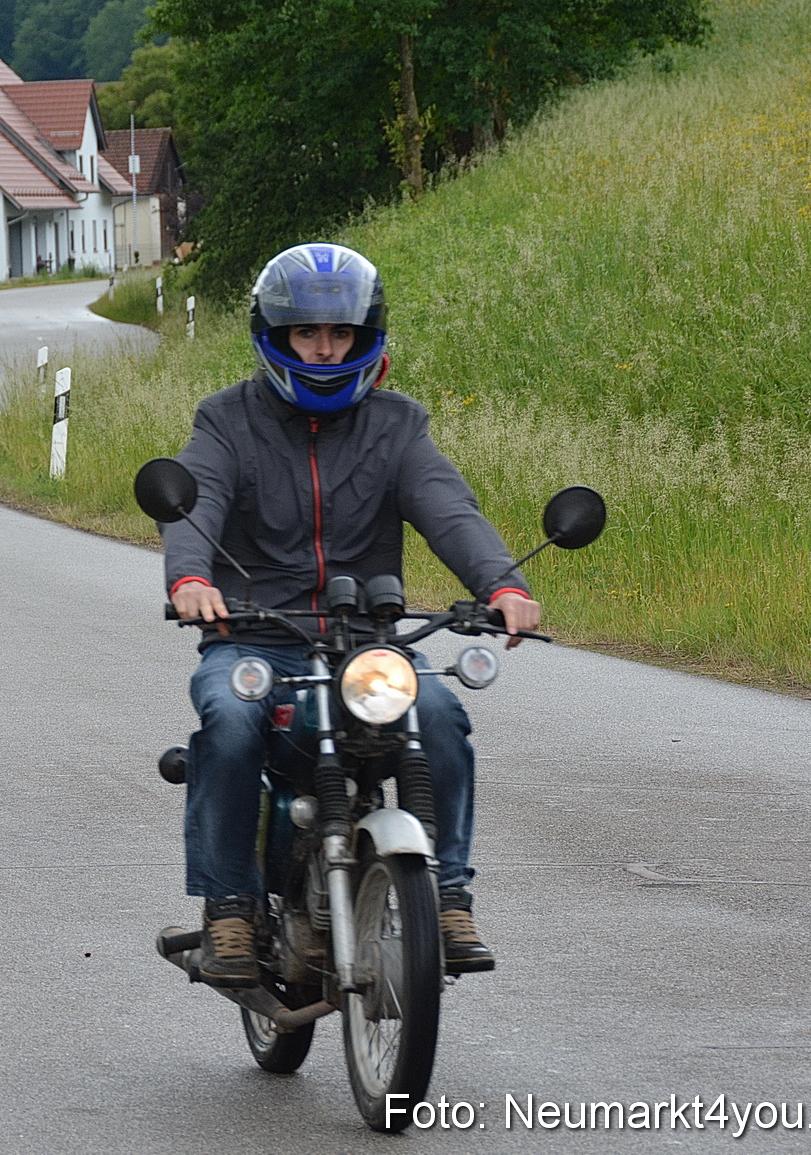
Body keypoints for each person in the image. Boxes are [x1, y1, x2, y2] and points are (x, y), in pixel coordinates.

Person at [161, 242, 541, 986]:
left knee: (439, 714)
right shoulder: (227, 420)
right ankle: (229, 906)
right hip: (255, 637)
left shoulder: (398, 426)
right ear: (275, 336)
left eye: (341, 333)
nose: (326, 349)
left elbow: (448, 509)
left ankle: (449, 896)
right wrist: (192, 579)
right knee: (229, 723)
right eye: (307, 333)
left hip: (367, 645)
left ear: (368, 338)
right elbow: (195, 500)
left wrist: (502, 587)